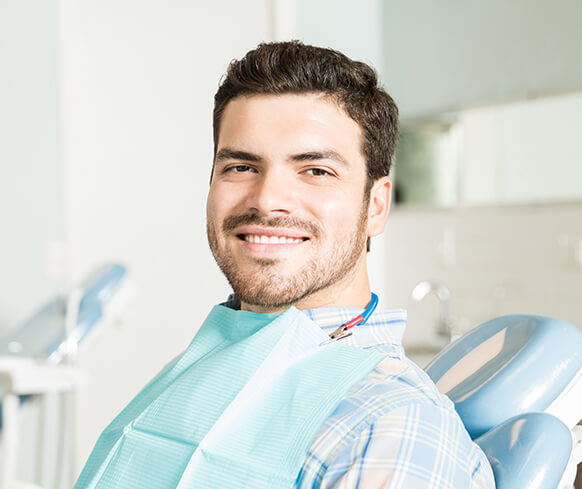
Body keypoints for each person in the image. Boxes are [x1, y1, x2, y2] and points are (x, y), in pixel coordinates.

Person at [75, 41, 494, 488]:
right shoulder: (211, 363)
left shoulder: (389, 425)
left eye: (315, 170)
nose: (267, 199)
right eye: (240, 166)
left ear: (376, 205)